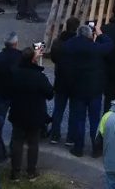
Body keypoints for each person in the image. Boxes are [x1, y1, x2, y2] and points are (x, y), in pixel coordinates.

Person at [64, 23, 114, 157]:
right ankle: (96, 148)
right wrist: (100, 33)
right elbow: (110, 45)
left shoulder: (70, 46)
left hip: (77, 89)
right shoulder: (95, 48)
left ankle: (78, 147)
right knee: (95, 121)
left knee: (79, 119)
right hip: (94, 89)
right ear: (90, 35)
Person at [8, 47, 54, 182]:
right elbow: (50, 93)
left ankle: (15, 172)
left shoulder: (15, 72)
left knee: (17, 142)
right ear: (33, 59)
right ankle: (31, 171)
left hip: (18, 111)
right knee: (33, 143)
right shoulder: (38, 76)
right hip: (35, 113)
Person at [48, 16, 80, 144]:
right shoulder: (78, 43)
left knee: (58, 109)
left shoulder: (57, 42)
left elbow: (54, 58)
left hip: (60, 79)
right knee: (74, 111)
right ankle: (70, 137)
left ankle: (55, 135)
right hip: (75, 81)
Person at [0, 31, 21, 117]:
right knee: (18, 120)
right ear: (16, 43)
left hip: (1, 95)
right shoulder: (22, 57)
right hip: (17, 95)